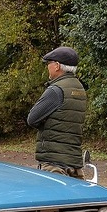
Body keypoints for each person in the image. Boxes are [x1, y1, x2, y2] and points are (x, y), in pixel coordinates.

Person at [26, 46, 86, 179]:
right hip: (74, 161)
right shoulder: (79, 87)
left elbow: (32, 119)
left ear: (57, 65)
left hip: (55, 162)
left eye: (49, 63)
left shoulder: (55, 90)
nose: (48, 67)